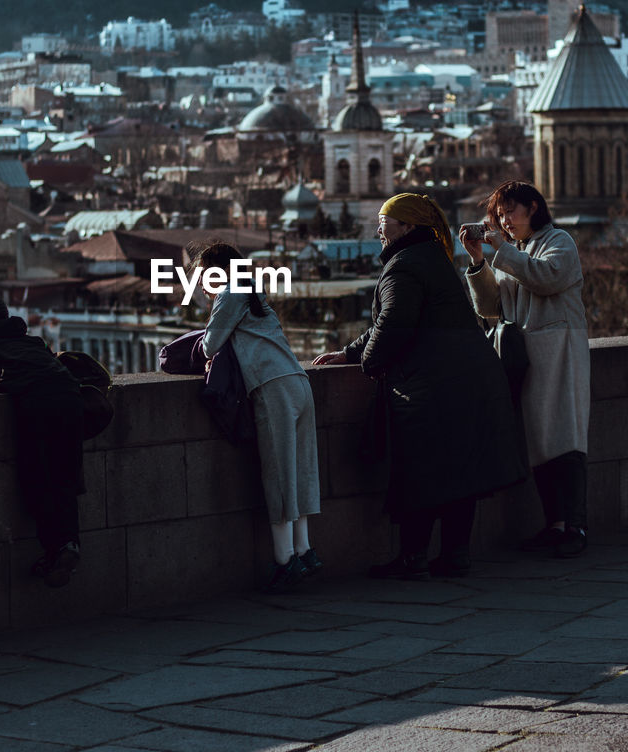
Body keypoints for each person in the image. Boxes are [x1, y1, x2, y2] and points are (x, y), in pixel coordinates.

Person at [314, 193, 524, 579]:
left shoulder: (405, 266)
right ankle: (455, 555)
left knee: (420, 475)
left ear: (408, 227)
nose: (379, 228)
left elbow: (394, 323)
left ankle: (413, 559)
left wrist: (369, 361)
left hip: (434, 388)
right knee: (461, 474)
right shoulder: (431, 259)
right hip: (470, 380)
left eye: (386, 221)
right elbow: (397, 319)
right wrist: (349, 352)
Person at [459, 181, 591, 558]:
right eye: (499, 215)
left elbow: (547, 277)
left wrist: (499, 249)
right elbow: (489, 306)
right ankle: (555, 525)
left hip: (559, 352)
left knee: (565, 437)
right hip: (530, 355)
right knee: (541, 442)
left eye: (510, 211)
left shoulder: (559, 241)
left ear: (533, 208)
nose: (504, 219)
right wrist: (478, 260)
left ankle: (574, 526)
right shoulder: (513, 251)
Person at [195, 241, 323, 593]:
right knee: (301, 469)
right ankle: (305, 550)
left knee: (279, 474)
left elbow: (209, 344)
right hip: (299, 381)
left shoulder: (229, 293)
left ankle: (285, 562)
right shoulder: (251, 291)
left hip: (272, 385)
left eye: (203, 272)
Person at [0, 292, 87, 588]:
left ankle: (54, 551)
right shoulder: (32, 341)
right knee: (65, 477)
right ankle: (70, 545)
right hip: (71, 400)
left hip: (39, 407)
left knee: (39, 478)